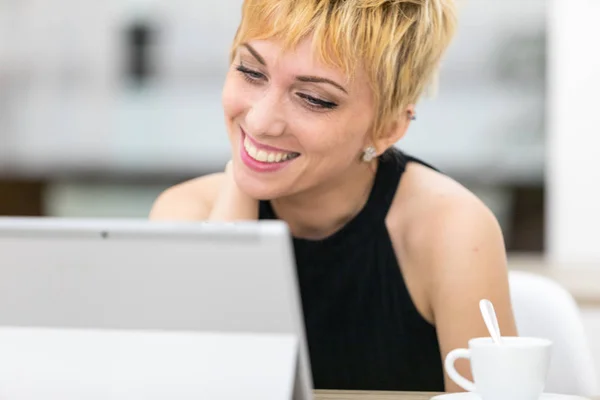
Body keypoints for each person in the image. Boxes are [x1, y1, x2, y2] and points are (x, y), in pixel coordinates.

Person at [150, 0, 518, 393]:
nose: (259, 120)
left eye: (314, 98)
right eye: (250, 71)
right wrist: (241, 186)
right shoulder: (185, 212)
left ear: (387, 129)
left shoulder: (453, 230)